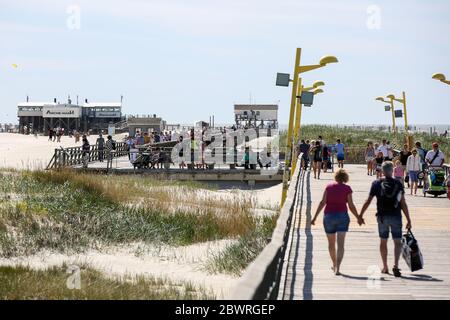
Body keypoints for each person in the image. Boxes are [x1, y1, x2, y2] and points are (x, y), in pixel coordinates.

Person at [359, 161, 412, 277]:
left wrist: (360, 215)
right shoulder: (398, 184)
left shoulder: (376, 183)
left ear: (382, 171)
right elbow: (403, 204)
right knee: (397, 242)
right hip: (396, 216)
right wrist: (409, 219)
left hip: (382, 217)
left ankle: (385, 266)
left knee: (383, 241)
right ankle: (396, 265)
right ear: (392, 170)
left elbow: (368, 201)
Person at [311, 169, 363, 275]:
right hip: (342, 217)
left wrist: (314, 217)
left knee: (331, 244)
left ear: (335, 177)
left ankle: (334, 264)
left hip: (329, 216)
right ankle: (338, 268)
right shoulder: (347, 188)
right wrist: (358, 217)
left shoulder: (328, 187)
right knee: (340, 244)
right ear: (345, 178)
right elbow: (351, 205)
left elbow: (322, 202)